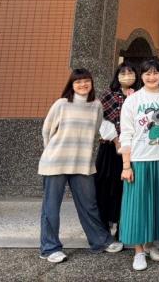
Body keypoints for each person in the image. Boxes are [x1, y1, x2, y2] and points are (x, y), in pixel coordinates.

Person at [39, 69, 124, 263]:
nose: (83, 84)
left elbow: (97, 130)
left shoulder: (96, 106)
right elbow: (46, 131)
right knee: (51, 207)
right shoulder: (61, 104)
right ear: (71, 85)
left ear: (91, 83)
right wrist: (52, 152)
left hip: (83, 163)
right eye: (78, 82)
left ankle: (100, 241)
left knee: (89, 204)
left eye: (86, 81)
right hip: (56, 162)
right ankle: (49, 248)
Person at [119, 57, 159, 271]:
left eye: (155, 73)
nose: (152, 77)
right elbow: (126, 133)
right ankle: (138, 251)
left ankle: (151, 244)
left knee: (158, 205)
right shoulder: (133, 100)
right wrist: (126, 165)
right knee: (138, 206)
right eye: (147, 73)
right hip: (139, 160)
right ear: (141, 76)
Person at [95, 63, 140, 235]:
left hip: (134, 148)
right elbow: (101, 120)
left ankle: (123, 225)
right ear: (117, 75)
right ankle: (105, 225)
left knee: (126, 188)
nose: (127, 75)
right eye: (123, 72)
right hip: (110, 149)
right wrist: (116, 140)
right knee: (107, 187)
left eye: (130, 72)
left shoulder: (140, 95)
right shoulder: (108, 94)